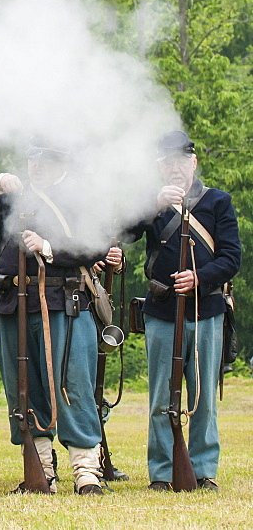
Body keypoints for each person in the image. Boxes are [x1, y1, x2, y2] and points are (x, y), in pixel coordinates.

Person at [0, 140, 122, 495]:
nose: (37, 167)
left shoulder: (79, 197)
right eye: (33, 160)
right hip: (14, 302)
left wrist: (50, 249)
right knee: (24, 390)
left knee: (71, 385)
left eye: (45, 160)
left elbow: (97, 246)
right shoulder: (16, 196)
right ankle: (42, 470)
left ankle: (86, 472)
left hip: (64, 300)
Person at [125, 131, 241, 492]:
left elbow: (231, 258)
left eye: (181, 161)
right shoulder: (151, 204)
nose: (175, 168)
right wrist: (154, 205)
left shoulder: (218, 202)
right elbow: (122, 233)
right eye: (167, 163)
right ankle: (161, 473)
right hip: (161, 312)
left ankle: (204, 470)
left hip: (206, 311)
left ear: (193, 162)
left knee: (203, 396)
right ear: (160, 168)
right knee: (161, 395)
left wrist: (198, 278)